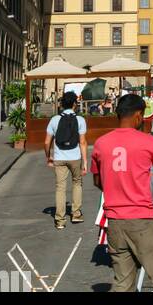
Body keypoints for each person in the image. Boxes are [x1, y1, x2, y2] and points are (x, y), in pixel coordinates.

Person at [90, 92, 153, 292]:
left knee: (123, 283)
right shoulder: (148, 142)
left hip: (115, 223)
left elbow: (98, 181)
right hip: (142, 219)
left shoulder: (101, 144)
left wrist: (117, 189)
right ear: (138, 115)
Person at [45, 92, 88, 230]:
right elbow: (82, 142)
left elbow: (47, 142)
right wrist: (85, 162)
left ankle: (60, 220)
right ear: (75, 104)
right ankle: (75, 214)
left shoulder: (54, 120)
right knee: (77, 183)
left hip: (59, 158)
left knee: (60, 188)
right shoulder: (80, 120)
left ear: (61, 104)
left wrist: (48, 156)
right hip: (75, 157)